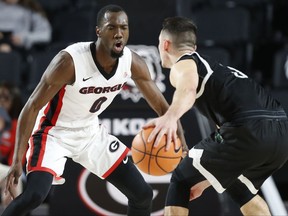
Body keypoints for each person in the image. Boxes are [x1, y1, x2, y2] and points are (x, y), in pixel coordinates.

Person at [2, 5, 187, 216]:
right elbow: (32, 106)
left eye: (124, 27)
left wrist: (181, 141)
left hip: (90, 133)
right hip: (52, 133)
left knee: (142, 194)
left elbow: (163, 107)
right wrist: (17, 160)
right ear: (98, 31)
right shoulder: (69, 61)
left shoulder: (132, 62)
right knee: (34, 196)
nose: (119, 33)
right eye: (112, 27)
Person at [144, 16, 288, 216]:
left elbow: (188, 89)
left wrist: (170, 117)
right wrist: (208, 178)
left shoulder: (183, 64)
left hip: (247, 129)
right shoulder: (221, 70)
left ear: (165, 44)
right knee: (241, 189)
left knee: (180, 179)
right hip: (281, 134)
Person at [0, 82, 24, 207]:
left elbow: (16, 157)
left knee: (14, 177)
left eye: (5, 97)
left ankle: (11, 210)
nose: (1, 101)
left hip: (5, 168)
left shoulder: (16, 125)